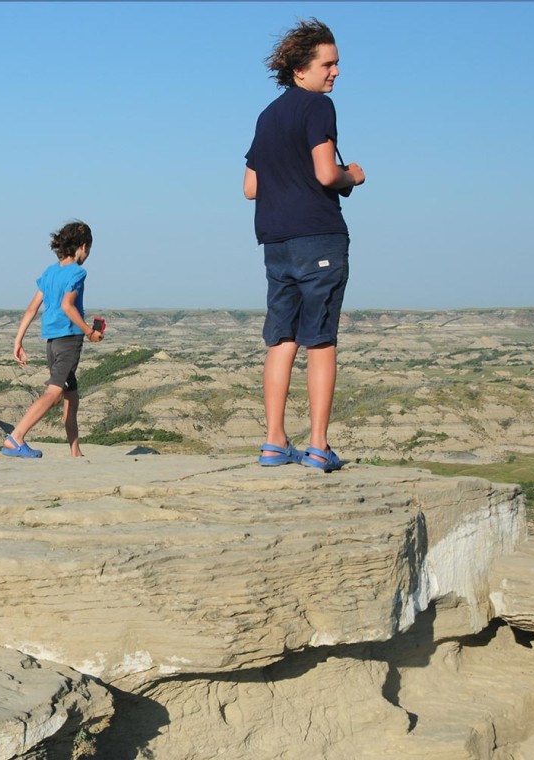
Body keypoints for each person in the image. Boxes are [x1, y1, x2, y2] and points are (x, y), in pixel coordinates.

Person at [243, 18, 365, 472]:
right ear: (301, 70)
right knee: (320, 341)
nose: (335, 73)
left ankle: (274, 442)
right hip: (318, 235)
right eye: (328, 64)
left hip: (275, 240)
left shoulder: (267, 116)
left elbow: (250, 187)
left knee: (281, 339)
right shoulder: (317, 108)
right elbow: (325, 173)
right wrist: (353, 175)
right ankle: (318, 445)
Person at [1, 220, 103, 459]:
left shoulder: (49, 272)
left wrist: (18, 342)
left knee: (71, 397)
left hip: (51, 341)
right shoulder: (78, 272)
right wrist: (90, 332)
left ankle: (75, 452)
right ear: (83, 246)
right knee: (54, 393)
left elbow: (31, 309)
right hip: (68, 340)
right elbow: (68, 306)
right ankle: (15, 438)